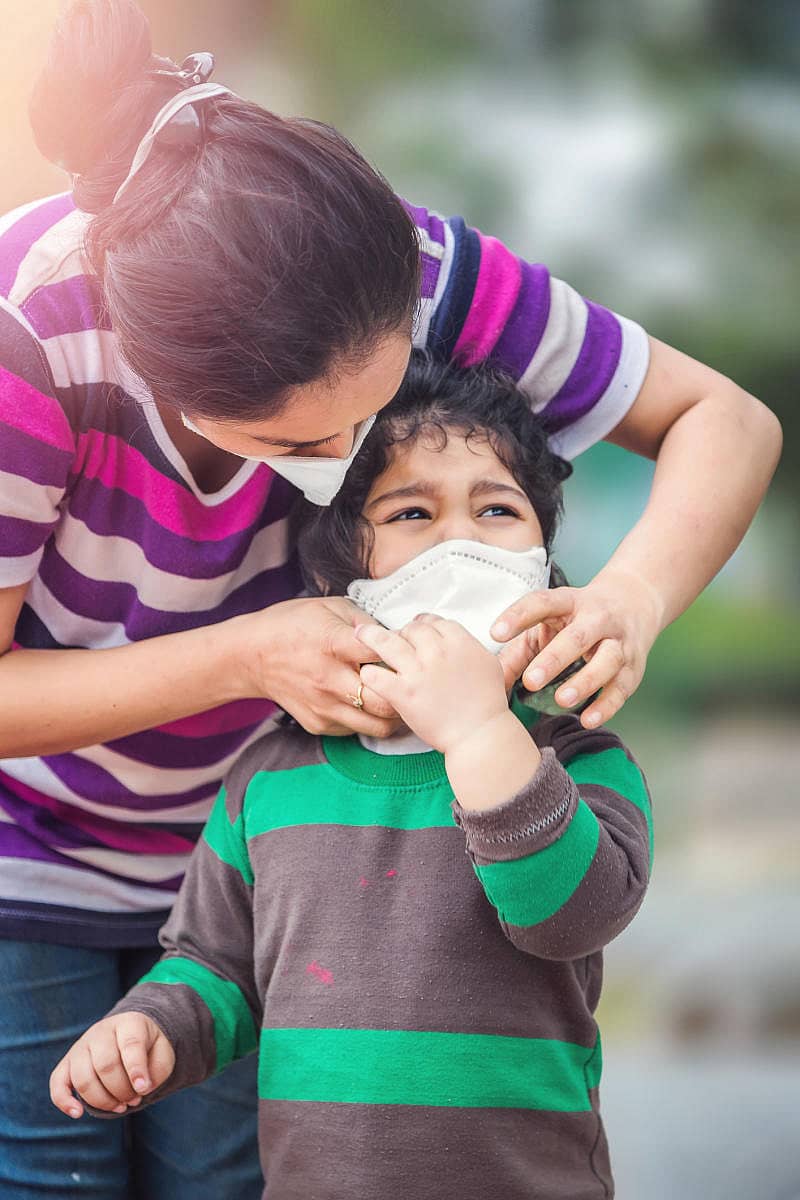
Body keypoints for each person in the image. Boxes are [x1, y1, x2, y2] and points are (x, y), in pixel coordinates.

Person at [0, 0, 780, 1195]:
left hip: (248, 860)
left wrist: (628, 598)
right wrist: (243, 655)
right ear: (158, 376)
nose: (355, 464)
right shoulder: (27, 345)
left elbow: (722, 420)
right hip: (35, 846)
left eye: (371, 412)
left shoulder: (413, 273)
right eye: (298, 443)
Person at [50, 352, 654, 1200]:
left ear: (543, 561)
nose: (460, 540)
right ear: (341, 579)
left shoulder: (584, 759)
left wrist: (479, 729)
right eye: (412, 511)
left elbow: (571, 917)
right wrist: (150, 1027)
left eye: (497, 508)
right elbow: (218, 968)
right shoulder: (267, 778)